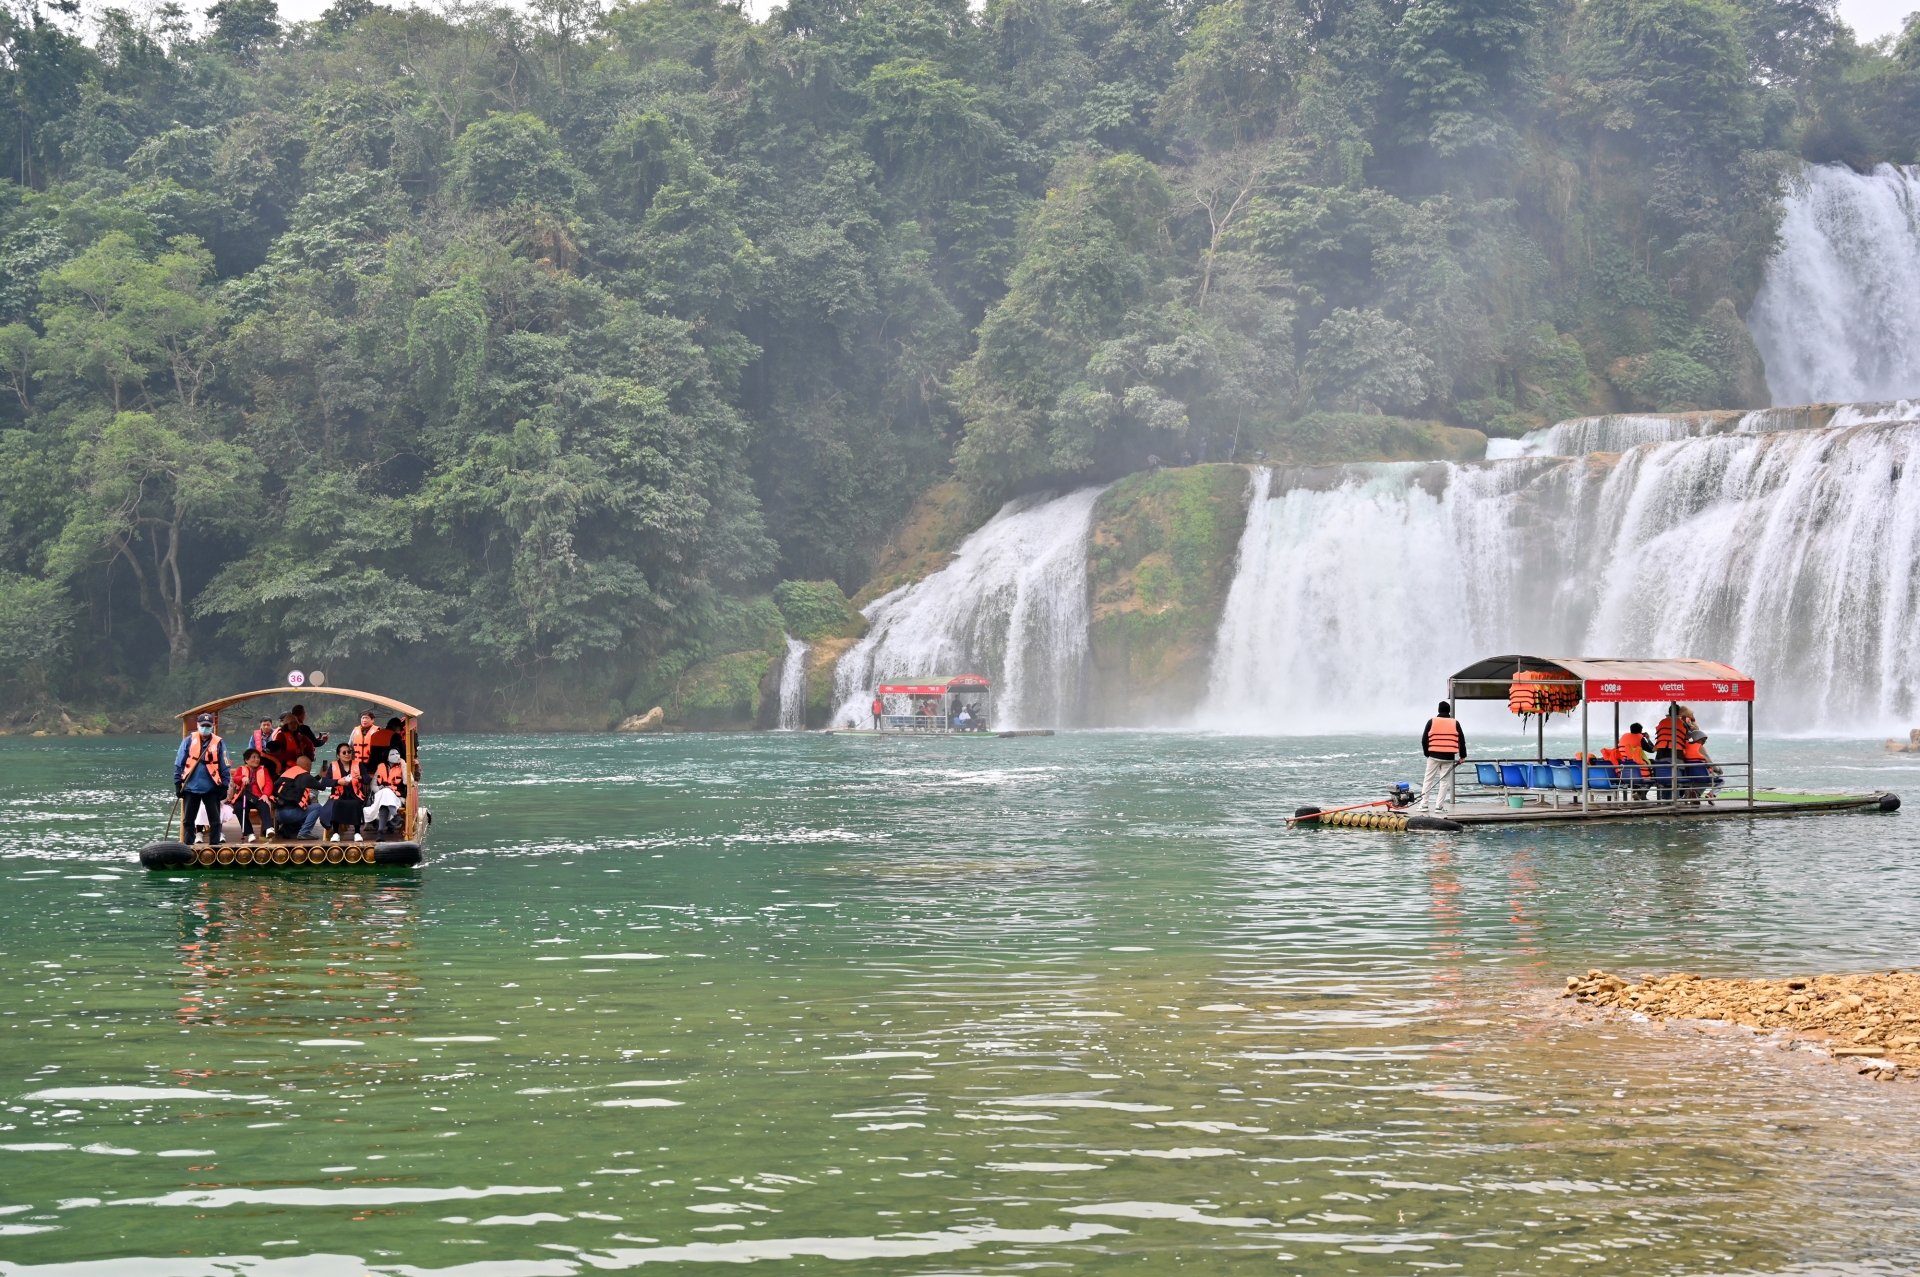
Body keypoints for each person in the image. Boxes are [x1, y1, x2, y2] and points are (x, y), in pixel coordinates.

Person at [173, 713, 231, 846]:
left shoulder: (219, 742)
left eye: (208, 726)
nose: (205, 728)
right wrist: (177, 783)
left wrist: (225, 786)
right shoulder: (188, 741)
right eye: (203, 725)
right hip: (191, 786)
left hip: (211, 786)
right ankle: (188, 845)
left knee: (215, 820)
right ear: (198, 725)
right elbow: (179, 763)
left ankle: (215, 845)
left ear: (212, 726)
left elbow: (225, 765)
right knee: (188, 820)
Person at [300, 743, 368, 841]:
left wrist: (361, 777)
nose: (347, 754)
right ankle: (336, 833)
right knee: (336, 803)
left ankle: (357, 832)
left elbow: (367, 779)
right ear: (338, 755)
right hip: (338, 795)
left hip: (355, 795)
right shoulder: (333, 766)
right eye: (344, 752)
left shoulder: (359, 765)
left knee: (356, 803)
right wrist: (338, 782)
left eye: (349, 752)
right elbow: (325, 782)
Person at [1418, 700, 1467, 813]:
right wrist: (1462, 756)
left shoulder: (1431, 721)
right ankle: (1439, 807)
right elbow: (1462, 741)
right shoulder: (1455, 723)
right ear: (1449, 711)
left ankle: (1424, 805)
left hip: (1433, 756)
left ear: (1439, 710)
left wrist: (1427, 753)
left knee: (1428, 780)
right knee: (1444, 782)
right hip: (1448, 757)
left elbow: (1424, 740)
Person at [229, 747, 278, 842]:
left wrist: (265, 794)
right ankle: (250, 833)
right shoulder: (241, 769)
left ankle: (268, 828)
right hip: (244, 797)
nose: (257, 759)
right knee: (238, 807)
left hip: (258, 797)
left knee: (264, 804)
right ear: (247, 760)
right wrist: (242, 778)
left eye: (258, 757)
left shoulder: (263, 770)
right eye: (253, 757)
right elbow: (235, 778)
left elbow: (269, 783)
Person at [274, 754, 318, 838]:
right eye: (311, 765)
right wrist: (322, 776)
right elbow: (321, 787)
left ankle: (287, 828)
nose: (311, 767)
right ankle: (304, 832)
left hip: (278, 813)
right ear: (306, 766)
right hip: (289, 813)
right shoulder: (304, 777)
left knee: (305, 808)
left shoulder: (287, 776)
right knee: (317, 807)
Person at [370, 748, 409, 839]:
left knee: (385, 800)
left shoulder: (402, 767)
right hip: (382, 795)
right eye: (392, 754)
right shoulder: (381, 767)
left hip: (397, 797)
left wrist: (404, 765)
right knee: (385, 793)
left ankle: (380, 832)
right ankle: (395, 817)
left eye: (397, 753)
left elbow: (408, 782)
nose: (396, 756)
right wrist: (381, 791)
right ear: (387, 758)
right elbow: (373, 785)